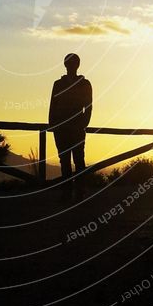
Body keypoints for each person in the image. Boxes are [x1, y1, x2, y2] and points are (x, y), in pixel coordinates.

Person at [48, 53, 92, 199]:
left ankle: (79, 191)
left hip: (76, 128)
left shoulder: (85, 84)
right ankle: (67, 192)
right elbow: (53, 105)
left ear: (77, 65)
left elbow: (89, 106)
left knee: (78, 159)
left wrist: (83, 124)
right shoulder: (58, 84)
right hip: (61, 128)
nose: (71, 66)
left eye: (72, 63)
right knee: (65, 160)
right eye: (69, 63)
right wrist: (52, 124)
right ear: (66, 65)